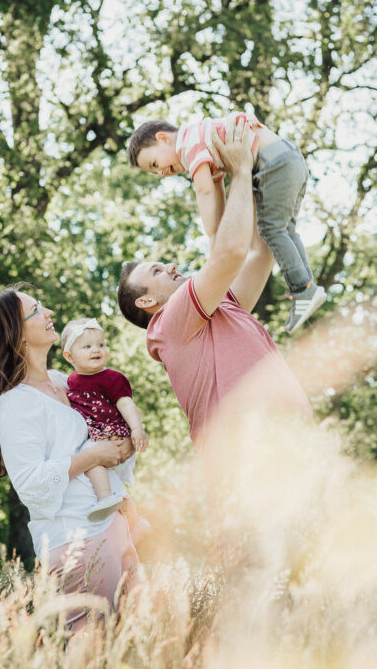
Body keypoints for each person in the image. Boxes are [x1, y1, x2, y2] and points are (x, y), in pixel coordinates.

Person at [118, 116, 312, 449]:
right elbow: (231, 251)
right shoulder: (169, 323)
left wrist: (250, 176)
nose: (170, 266)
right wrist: (239, 169)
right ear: (147, 302)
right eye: (156, 272)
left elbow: (258, 252)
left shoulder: (222, 308)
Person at [0, 287, 139, 633]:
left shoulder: (68, 382)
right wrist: (92, 455)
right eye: (35, 311)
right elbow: (31, 483)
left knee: (136, 635)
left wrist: (121, 446)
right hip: (76, 536)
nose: (48, 312)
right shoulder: (16, 402)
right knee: (90, 642)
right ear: (17, 336)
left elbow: (103, 432)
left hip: (114, 525)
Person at [127, 111, 326, 334]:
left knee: (271, 230)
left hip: (273, 164)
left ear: (163, 138)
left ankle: (302, 289)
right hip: (287, 157)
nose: (161, 172)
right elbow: (217, 188)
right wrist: (220, 232)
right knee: (284, 229)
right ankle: (307, 287)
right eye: (155, 172)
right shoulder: (204, 141)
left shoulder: (189, 146)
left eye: (154, 163)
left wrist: (213, 235)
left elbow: (204, 191)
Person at [61, 316, 150, 539]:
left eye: (101, 344)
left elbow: (126, 404)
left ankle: (106, 498)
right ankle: (134, 521)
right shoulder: (70, 381)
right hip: (97, 435)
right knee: (101, 468)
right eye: (87, 346)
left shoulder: (112, 378)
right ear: (69, 356)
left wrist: (136, 429)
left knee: (89, 457)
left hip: (113, 434)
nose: (96, 350)